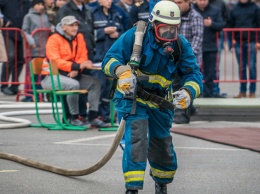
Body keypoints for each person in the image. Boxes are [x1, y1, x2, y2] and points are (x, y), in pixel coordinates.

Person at [102, 1, 203, 193]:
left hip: (160, 102)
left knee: (162, 144)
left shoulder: (180, 45)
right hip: (133, 97)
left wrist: (189, 92)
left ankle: (161, 183)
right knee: (137, 139)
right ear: (153, 23)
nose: (168, 34)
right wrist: (122, 71)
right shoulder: (135, 36)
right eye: (164, 28)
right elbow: (109, 60)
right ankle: (132, 188)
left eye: (172, 29)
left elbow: (194, 75)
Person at [41, 16, 110, 127]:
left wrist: (77, 69)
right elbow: (55, 60)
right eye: (71, 25)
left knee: (95, 83)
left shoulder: (79, 37)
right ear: (63, 27)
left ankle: (92, 117)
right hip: (51, 77)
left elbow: (82, 57)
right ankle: (73, 118)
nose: (75, 28)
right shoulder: (53, 38)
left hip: (71, 74)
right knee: (74, 84)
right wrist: (75, 67)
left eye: (76, 25)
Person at [90, 0, 124, 123]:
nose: (109, 1)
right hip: (97, 58)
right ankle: (98, 114)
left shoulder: (116, 13)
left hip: (113, 57)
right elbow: (88, 35)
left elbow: (124, 34)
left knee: (112, 88)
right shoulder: (92, 12)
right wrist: (103, 32)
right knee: (101, 85)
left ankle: (107, 115)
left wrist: (118, 34)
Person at [171, 0, 203, 124]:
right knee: (176, 86)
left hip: (189, 59)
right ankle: (188, 109)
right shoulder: (174, 16)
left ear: (187, 2)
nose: (177, 5)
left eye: (179, 2)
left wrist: (187, 55)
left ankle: (184, 115)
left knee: (187, 85)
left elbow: (198, 38)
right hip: (175, 59)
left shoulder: (196, 17)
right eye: (175, 2)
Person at [227, 0, 260, 98]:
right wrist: (231, 39)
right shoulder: (234, 9)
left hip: (252, 41)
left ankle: (252, 92)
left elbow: (259, 25)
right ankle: (242, 91)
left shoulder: (255, 8)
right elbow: (230, 25)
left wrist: (258, 41)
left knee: (252, 67)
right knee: (241, 67)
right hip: (238, 42)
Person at [194, 0, 224, 98]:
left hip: (210, 47)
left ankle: (208, 94)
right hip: (195, 47)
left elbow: (221, 25)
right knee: (194, 72)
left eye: (204, 0)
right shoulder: (192, 10)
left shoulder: (215, 10)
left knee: (209, 73)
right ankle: (196, 93)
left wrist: (211, 24)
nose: (202, 2)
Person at [21, 0, 51, 102]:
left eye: (42, 4)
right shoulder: (28, 16)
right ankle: (30, 96)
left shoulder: (45, 16)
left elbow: (48, 29)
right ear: (33, 6)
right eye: (38, 4)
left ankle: (41, 95)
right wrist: (31, 41)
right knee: (32, 74)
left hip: (44, 50)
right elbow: (25, 31)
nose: (40, 6)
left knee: (43, 73)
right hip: (33, 50)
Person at [0, 0, 31, 95]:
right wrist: (3, 20)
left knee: (20, 59)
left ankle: (15, 85)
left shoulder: (27, 2)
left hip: (21, 32)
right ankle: (4, 85)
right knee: (10, 56)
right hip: (8, 31)